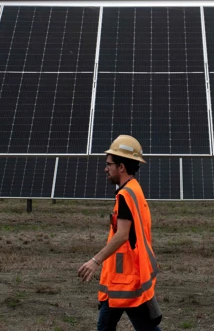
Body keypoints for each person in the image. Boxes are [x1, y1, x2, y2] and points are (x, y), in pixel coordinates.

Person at [77, 135, 162, 331]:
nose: (106, 168)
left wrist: (94, 261)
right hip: (122, 276)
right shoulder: (135, 190)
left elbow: (123, 235)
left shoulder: (125, 195)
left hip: (126, 278)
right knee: (106, 326)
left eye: (109, 164)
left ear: (121, 167)